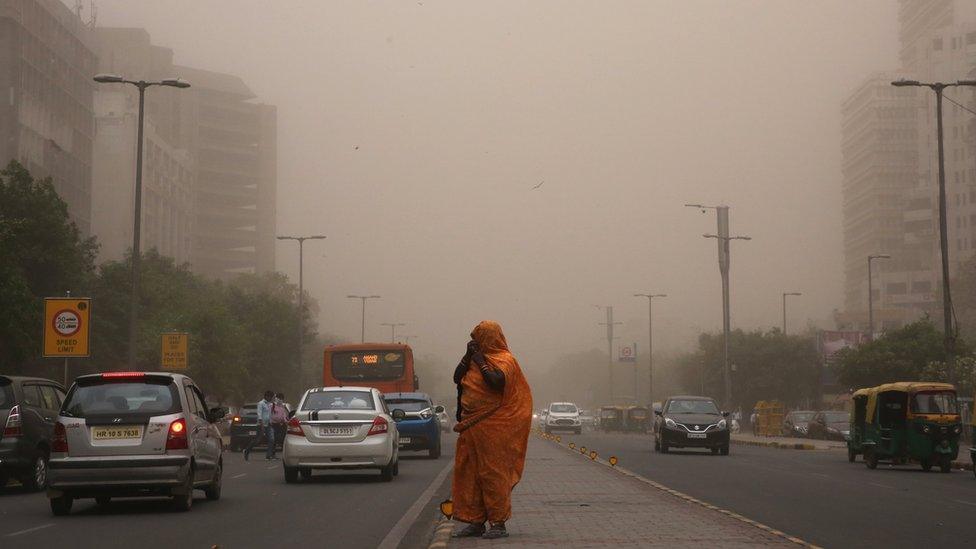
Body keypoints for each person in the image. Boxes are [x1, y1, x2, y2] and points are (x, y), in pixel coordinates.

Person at [450, 320, 533, 540]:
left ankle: (498, 523)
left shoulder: (506, 360)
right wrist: (469, 357)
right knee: (470, 473)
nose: (474, 343)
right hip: (471, 426)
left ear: (488, 338)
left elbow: (496, 382)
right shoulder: (473, 362)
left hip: (495, 427)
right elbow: (457, 378)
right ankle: (475, 521)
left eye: (478, 338)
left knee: (492, 474)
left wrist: (479, 359)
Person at [244, 390, 277, 461]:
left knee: (271, 439)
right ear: (266, 396)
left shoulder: (270, 404)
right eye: (271, 397)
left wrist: (271, 421)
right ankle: (247, 450)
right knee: (257, 441)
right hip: (261, 425)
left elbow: (270, 414)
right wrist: (262, 425)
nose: (271, 398)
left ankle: (268, 456)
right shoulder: (261, 403)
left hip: (269, 424)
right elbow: (259, 414)